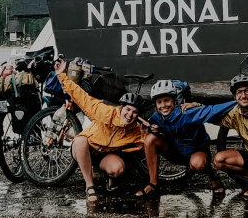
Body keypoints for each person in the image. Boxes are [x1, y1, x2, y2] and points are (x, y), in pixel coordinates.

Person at [55, 59, 146, 203]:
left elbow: (151, 141)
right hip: (86, 148)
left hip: (104, 156)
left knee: (118, 169)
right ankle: (89, 186)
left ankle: (111, 180)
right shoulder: (105, 111)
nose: (130, 115)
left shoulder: (136, 129)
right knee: (80, 140)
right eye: (128, 110)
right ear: (121, 108)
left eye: (135, 112)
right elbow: (82, 97)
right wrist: (62, 76)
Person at [136, 80, 235, 198]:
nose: (163, 106)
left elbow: (214, 109)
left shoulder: (188, 113)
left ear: (174, 100)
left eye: (167, 100)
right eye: (159, 102)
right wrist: (152, 130)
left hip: (196, 152)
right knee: (150, 139)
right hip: (175, 152)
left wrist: (239, 101)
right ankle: (153, 185)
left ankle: (213, 176)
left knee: (198, 164)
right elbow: (146, 126)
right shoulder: (156, 117)